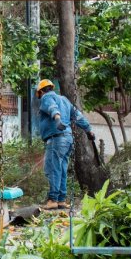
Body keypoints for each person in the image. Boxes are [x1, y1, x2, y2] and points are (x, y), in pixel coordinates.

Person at [35, 79, 90, 210]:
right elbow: (78, 116)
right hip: (68, 139)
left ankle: (53, 199)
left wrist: (57, 118)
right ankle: (61, 200)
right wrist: (88, 130)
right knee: (62, 168)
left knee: (53, 168)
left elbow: (52, 108)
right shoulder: (64, 100)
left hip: (56, 139)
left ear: (41, 92)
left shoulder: (46, 97)